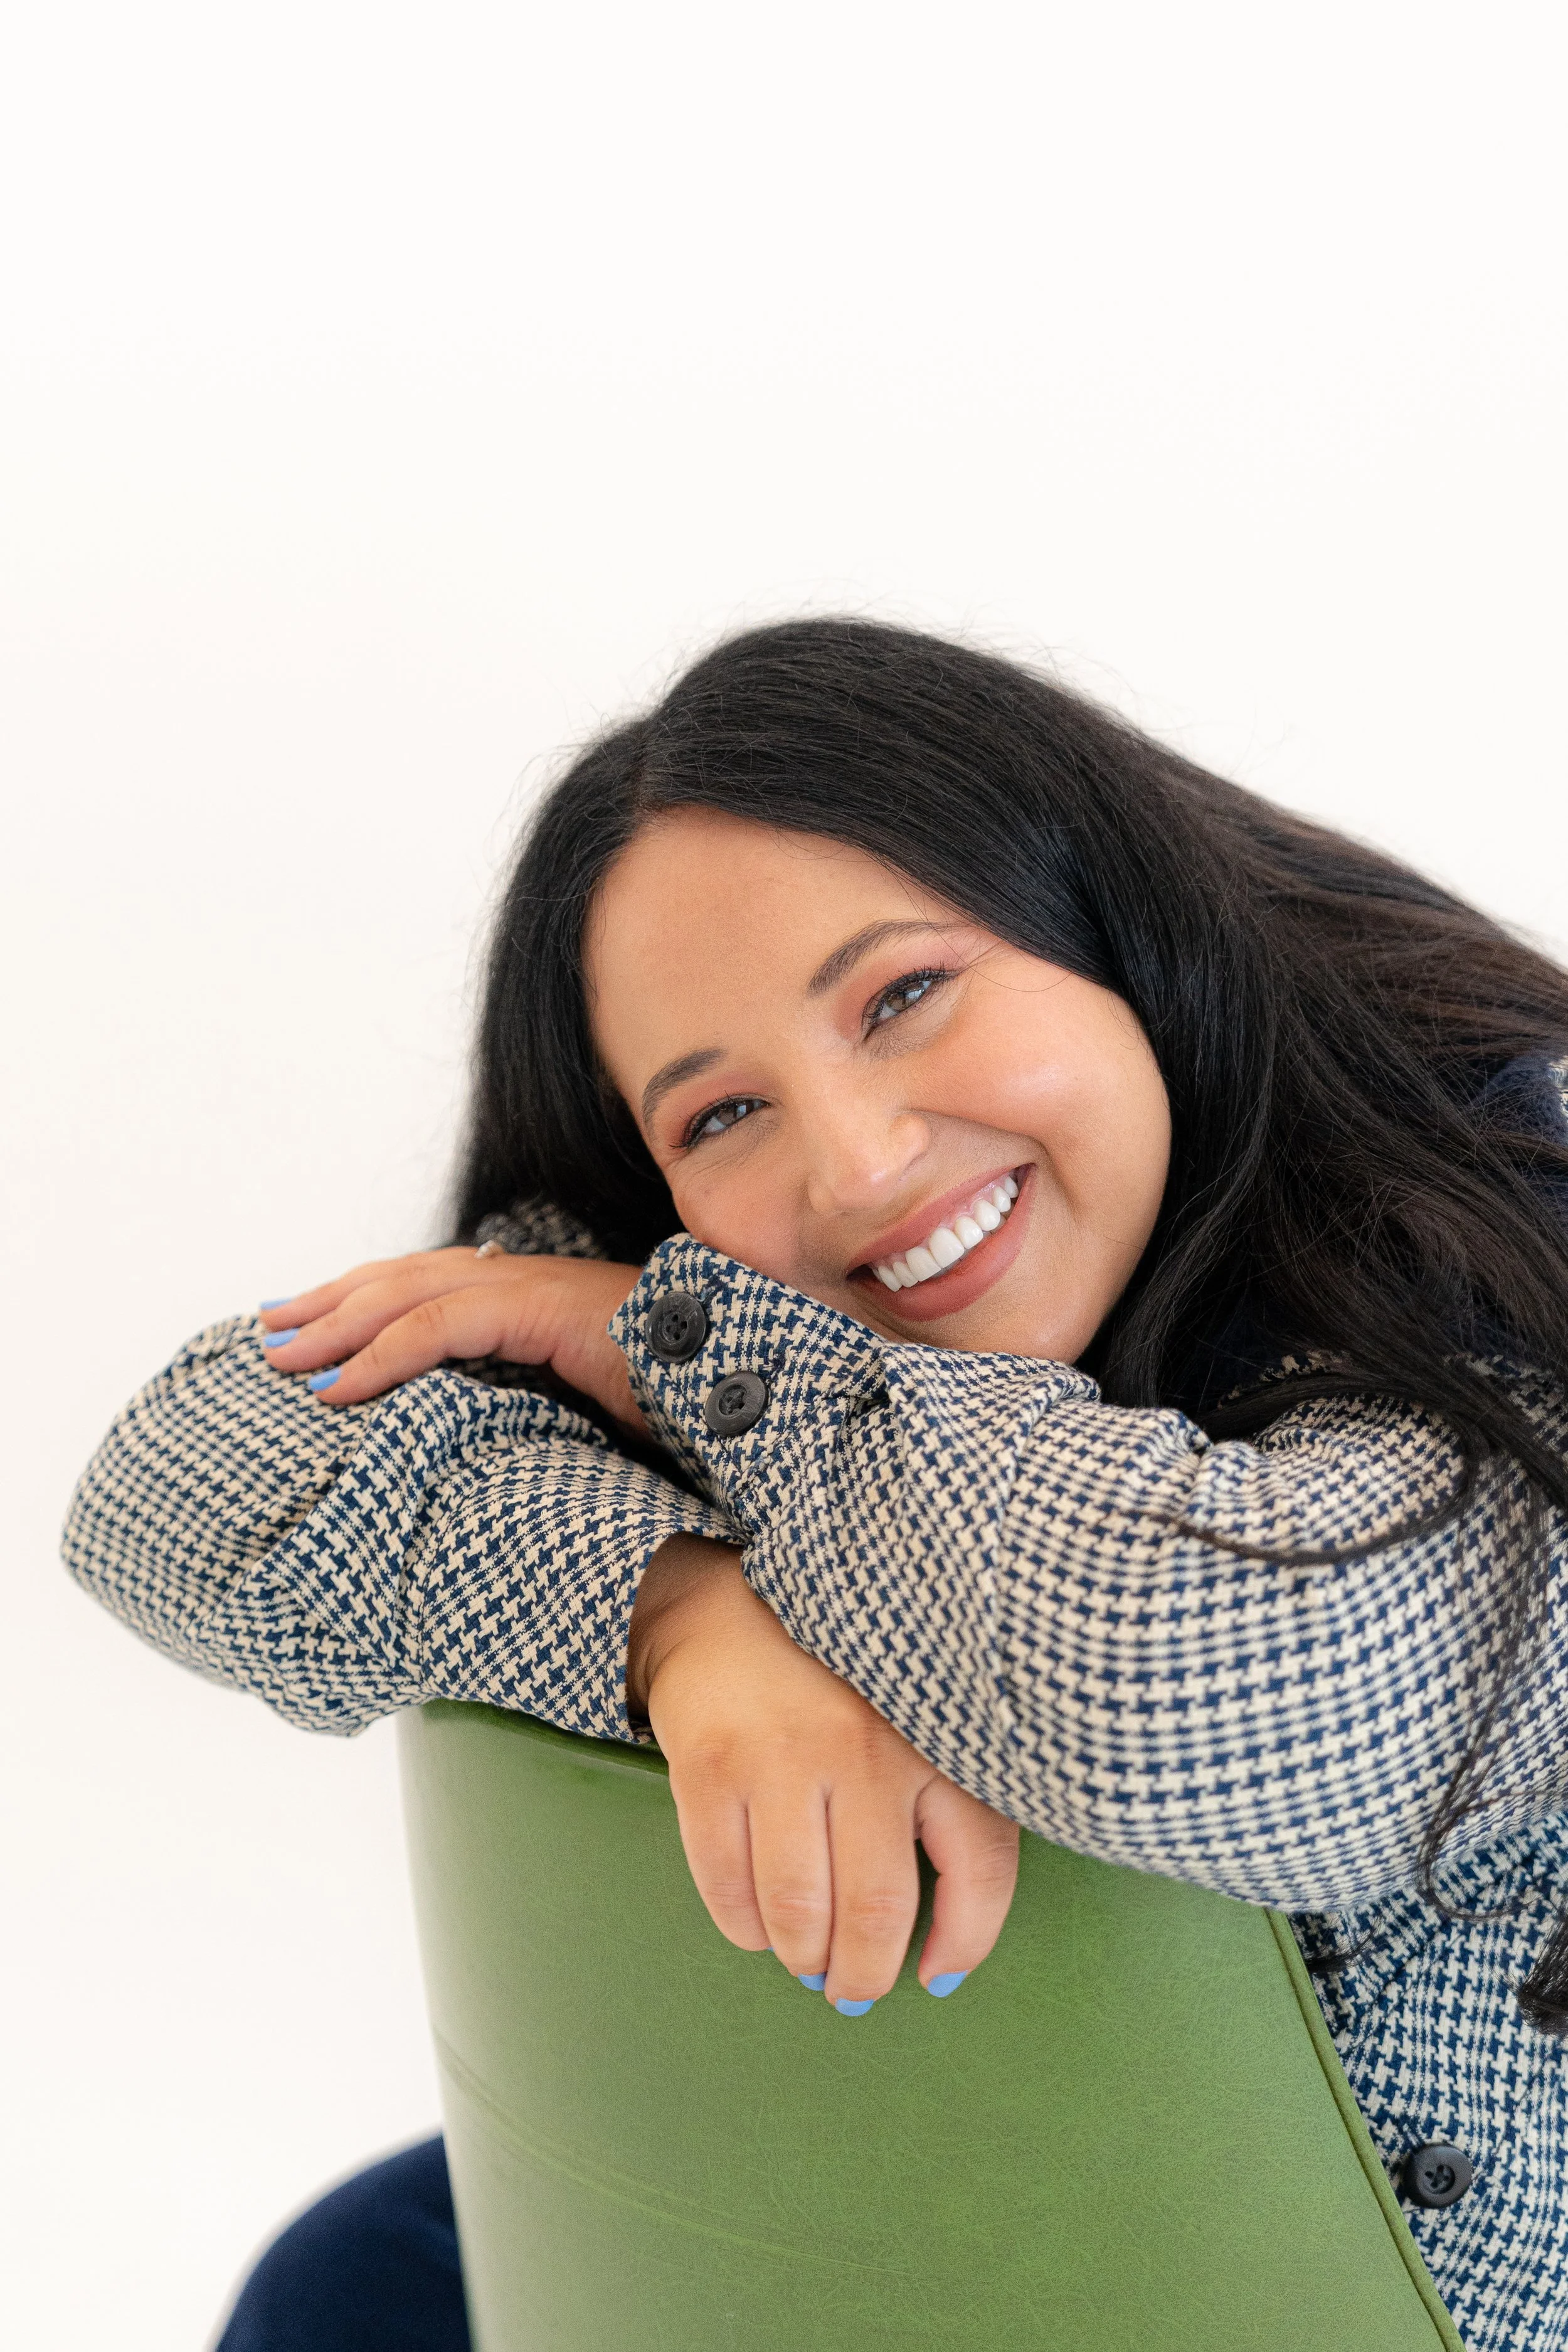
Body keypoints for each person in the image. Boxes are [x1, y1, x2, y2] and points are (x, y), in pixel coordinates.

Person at [66, 619, 1568, 2352]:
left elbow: (1192, 1691)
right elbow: (181, 1480)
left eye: (906, 993)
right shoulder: (715, 1276)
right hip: (980, 2197)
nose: (853, 1168)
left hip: (1359, 2279)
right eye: (717, 1116)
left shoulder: (1491, 1247)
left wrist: (671, 1352)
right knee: (363, 2276)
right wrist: (679, 1614)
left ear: (1115, 935)